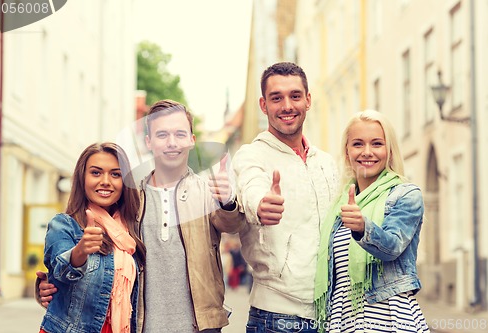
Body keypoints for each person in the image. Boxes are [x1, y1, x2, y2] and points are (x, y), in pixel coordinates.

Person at [38, 100, 245, 333]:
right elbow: (94, 253)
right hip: (140, 325)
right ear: (149, 142)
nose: (171, 142)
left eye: (179, 134)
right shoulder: (131, 197)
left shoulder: (208, 190)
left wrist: (227, 200)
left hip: (200, 326)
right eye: (162, 134)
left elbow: (234, 224)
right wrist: (50, 284)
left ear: (191, 140)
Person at [232, 62, 339, 332]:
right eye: (276, 98)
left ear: (308, 100)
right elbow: (250, 187)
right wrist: (259, 205)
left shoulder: (326, 162)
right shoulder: (252, 155)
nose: (287, 106)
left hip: (331, 314)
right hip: (277, 318)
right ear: (263, 105)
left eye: (295, 95)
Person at [314, 110, 429, 332]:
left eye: (377, 144)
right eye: (358, 144)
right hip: (343, 319)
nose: (367, 152)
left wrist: (362, 227)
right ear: (347, 152)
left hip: (390, 318)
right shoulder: (339, 206)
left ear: (389, 151)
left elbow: (392, 246)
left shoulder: (405, 195)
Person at [38, 142, 146, 333]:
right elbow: (60, 271)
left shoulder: (132, 231)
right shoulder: (64, 225)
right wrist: (81, 250)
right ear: (82, 178)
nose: (106, 181)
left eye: (115, 174)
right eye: (96, 172)